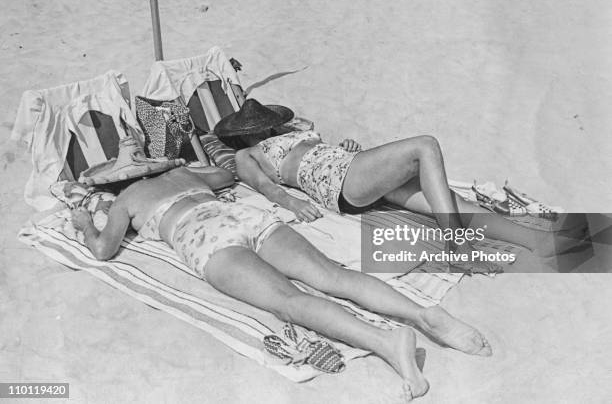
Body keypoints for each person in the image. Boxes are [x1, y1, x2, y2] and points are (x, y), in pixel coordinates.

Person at [72, 163, 494, 398]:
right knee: (333, 275)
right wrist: (188, 168)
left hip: (203, 237)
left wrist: (84, 223)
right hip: (244, 215)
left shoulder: (126, 200)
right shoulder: (183, 176)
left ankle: (386, 343)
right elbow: (226, 175)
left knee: (288, 302)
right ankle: (423, 313)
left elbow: (104, 249)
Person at [215, 100, 584, 273]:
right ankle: (456, 244)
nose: (265, 129)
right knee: (425, 145)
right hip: (340, 184)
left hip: (351, 171)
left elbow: (317, 154)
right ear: (246, 134)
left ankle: (538, 242)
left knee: (446, 201)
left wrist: (341, 150)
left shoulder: (293, 133)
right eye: (258, 127)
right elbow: (266, 188)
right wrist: (292, 204)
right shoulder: (249, 155)